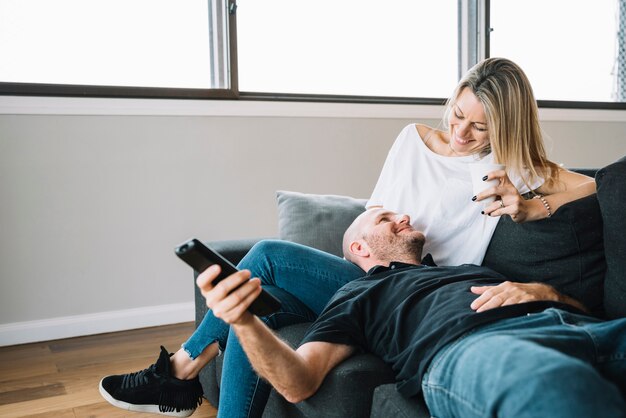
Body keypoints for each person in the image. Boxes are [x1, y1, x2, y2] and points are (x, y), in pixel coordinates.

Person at [98, 57, 597, 417]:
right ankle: (185, 374)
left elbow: (601, 186)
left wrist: (534, 205)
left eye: (480, 128)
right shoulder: (413, 140)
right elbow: (371, 214)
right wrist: (373, 239)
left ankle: (182, 370)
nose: (461, 133)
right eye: (458, 115)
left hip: (424, 292)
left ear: (505, 127)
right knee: (261, 282)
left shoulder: (517, 168)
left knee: (264, 270)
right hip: (374, 270)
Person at [204, 208, 626, 418]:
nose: (402, 217)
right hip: (475, 349)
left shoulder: (468, 269)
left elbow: (586, 308)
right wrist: (243, 321)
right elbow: (299, 381)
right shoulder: (357, 294)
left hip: (582, 327)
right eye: (385, 218)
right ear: (359, 249)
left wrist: (548, 291)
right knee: (558, 389)